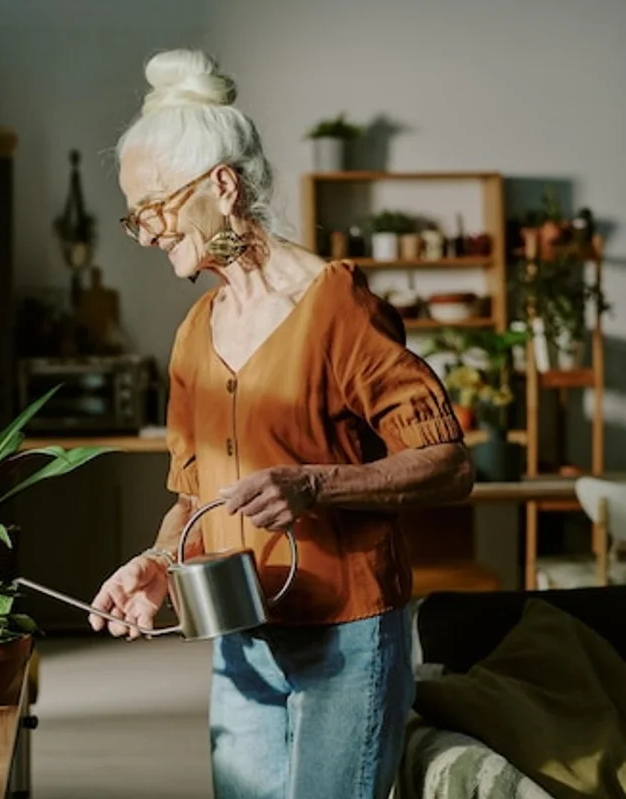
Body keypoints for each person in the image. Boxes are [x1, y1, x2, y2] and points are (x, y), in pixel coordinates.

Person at [88, 49, 474, 799]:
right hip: (242, 638)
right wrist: (160, 565)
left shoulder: (338, 307)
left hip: (348, 634)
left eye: (155, 207)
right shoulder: (195, 333)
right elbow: (191, 499)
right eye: (135, 215)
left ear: (222, 187)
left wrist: (314, 483)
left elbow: (449, 465)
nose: (145, 230)